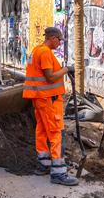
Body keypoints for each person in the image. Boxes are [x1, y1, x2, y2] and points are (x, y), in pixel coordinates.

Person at [23, 27, 78, 186]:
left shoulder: (36, 50)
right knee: (56, 133)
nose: (60, 43)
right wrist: (67, 69)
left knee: (41, 130)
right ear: (53, 38)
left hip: (40, 99)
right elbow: (50, 76)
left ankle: (44, 164)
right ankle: (58, 173)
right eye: (60, 40)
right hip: (49, 100)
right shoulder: (46, 52)